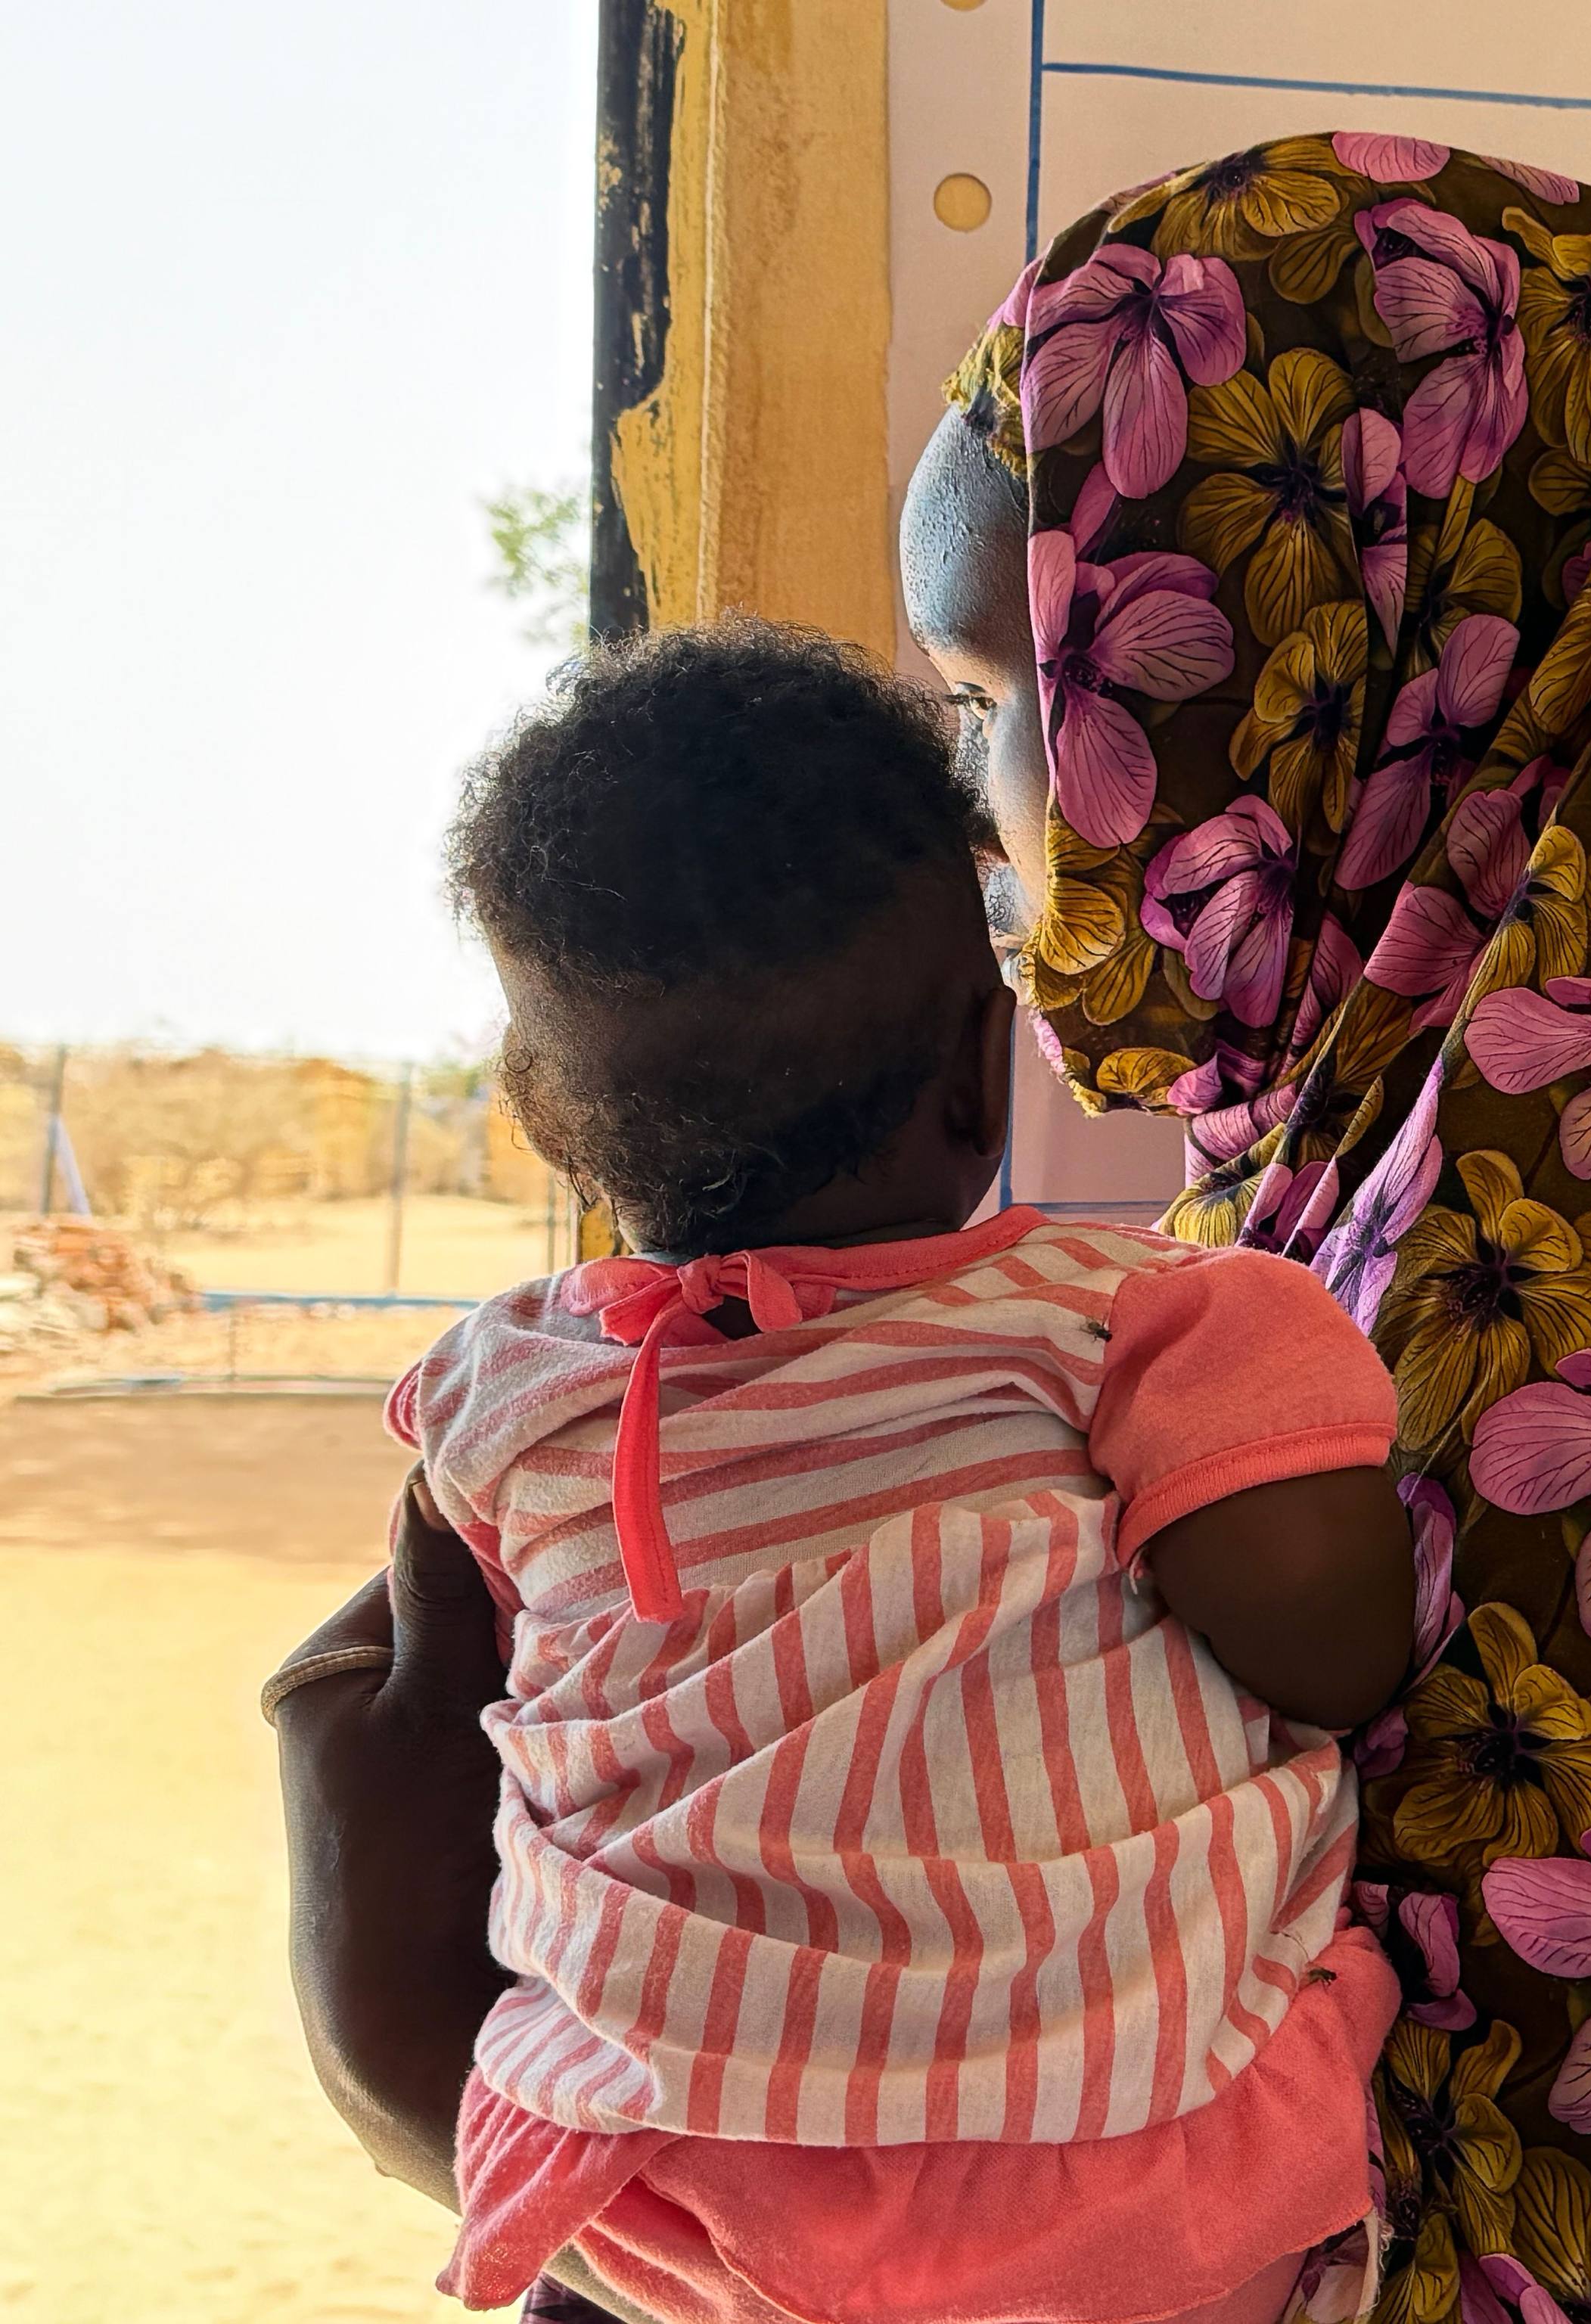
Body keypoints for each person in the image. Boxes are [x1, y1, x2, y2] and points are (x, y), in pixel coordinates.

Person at [272, 135, 1591, 2322]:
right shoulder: (1337, 1178)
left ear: (1303, 667)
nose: (984, 826)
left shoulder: (1561, 1319)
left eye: (999, 710)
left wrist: (418, 1999)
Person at [276, 620, 1418, 2324]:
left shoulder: (503, 1405)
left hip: (676, 2205)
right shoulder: (1145, 1327)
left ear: (544, 1116)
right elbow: (1337, 1656)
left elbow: (436, 1704)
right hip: (1131, 2207)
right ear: (982, 1065)